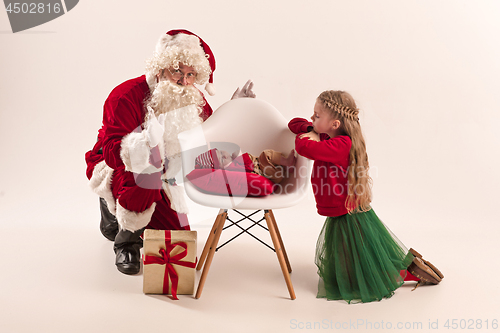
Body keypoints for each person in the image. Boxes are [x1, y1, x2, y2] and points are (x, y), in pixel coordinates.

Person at [85, 29, 255, 275]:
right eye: (176, 71)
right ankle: (126, 241)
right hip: (120, 169)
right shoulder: (125, 96)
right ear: (161, 67)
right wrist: (145, 143)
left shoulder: (192, 96)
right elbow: (112, 153)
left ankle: (127, 215)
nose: (183, 81)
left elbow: (208, 135)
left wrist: (234, 109)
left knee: (176, 242)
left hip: (166, 175)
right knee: (146, 174)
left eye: (190, 75)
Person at [288, 90, 443, 303]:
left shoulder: (340, 144)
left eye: (317, 116)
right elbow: (294, 123)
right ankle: (404, 266)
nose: (312, 118)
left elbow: (304, 147)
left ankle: (403, 272)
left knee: (357, 253)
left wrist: (311, 135)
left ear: (334, 123)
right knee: (357, 251)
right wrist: (310, 128)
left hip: (345, 208)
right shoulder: (328, 137)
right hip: (343, 205)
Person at [194, 148, 296, 183]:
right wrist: (238, 155)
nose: (224, 156)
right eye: (221, 159)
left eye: (221, 153)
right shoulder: (231, 170)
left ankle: (285, 166)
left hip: (271, 170)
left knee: (270, 157)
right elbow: (248, 166)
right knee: (266, 154)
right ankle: (286, 162)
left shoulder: (232, 165)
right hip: (267, 174)